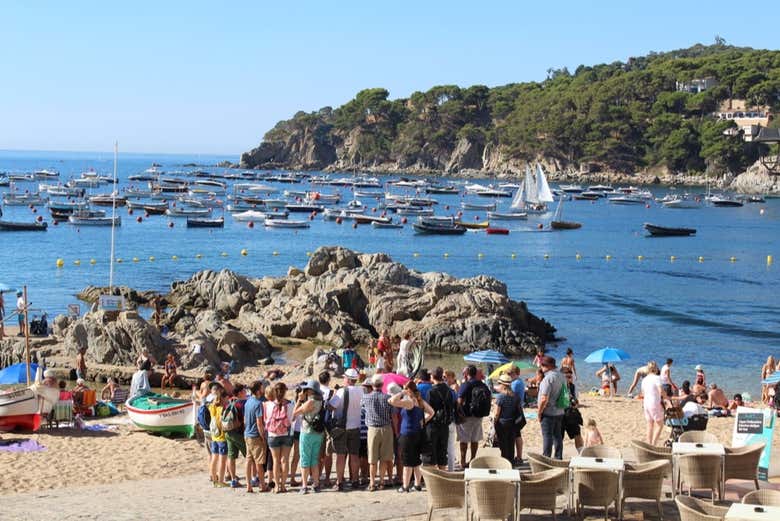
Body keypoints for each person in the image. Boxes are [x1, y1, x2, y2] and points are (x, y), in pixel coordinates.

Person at [389, 381, 434, 493]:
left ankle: (405, 485)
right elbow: (431, 412)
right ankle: (417, 484)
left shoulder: (409, 402)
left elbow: (391, 401)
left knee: (408, 462)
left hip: (407, 434)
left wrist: (402, 392)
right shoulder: (420, 401)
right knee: (416, 461)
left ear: (408, 389)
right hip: (417, 433)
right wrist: (422, 422)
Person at [327, 368, 364, 491]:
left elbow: (331, 406)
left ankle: (339, 481)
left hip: (342, 427)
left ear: (347, 379)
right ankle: (354, 480)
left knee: (340, 456)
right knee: (354, 455)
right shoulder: (361, 391)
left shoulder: (342, 391)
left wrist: (334, 393)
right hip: (356, 426)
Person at [360, 374, 394, 491]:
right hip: (386, 428)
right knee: (384, 458)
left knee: (372, 459)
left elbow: (362, 409)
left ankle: (372, 482)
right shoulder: (387, 397)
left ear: (372, 385)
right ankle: (382, 481)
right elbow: (393, 415)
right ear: (382, 385)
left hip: (373, 429)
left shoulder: (366, 397)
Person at [293, 379, 325, 494]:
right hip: (318, 433)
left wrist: (300, 400)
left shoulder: (310, 402)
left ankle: (304, 485)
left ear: (310, 390)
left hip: (307, 432)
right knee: (314, 460)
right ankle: (316, 484)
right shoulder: (320, 400)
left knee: (305, 460)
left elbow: (295, 413)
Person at [263, 381, 295, 494]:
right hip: (286, 434)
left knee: (276, 460)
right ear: (285, 391)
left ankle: (276, 486)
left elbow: (265, 420)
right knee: (285, 460)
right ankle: (283, 485)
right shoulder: (290, 405)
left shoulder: (267, 405)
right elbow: (292, 420)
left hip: (273, 435)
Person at [457, 365, 490, 467]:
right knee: (474, 439)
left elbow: (459, 401)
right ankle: (472, 459)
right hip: (479, 415)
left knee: (464, 440)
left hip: (466, 416)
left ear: (467, 374)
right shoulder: (483, 385)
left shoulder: (466, 385)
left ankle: (463, 461)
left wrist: (458, 413)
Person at [426, 367, 455, 471]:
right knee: (442, 453)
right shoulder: (449, 390)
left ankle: (433, 478)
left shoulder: (431, 392)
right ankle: (442, 476)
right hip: (445, 424)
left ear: (433, 376)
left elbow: (429, 410)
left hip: (433, 424)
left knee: (431, 453)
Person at [537, 355, 565, 459]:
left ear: (547, 366)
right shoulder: (561, 376)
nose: (541, 368)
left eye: (542, 366)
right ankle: (558, 457)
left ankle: (546, 458)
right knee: (557, 436)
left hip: (548, 412)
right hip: (560, 410)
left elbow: (544, 398)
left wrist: (539, 412)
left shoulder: (548, 378)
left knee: (547, 436)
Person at [244, 380, 268, 493]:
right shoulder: (258, 404)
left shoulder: (248, 401)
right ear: (258, 390)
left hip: (247, 433)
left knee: (248, 460)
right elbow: (259, 423)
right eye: (262, 388)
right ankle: (262, 485)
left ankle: (248, 485)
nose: (264, 389)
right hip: (255, 435)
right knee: (259, 462)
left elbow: (245, 419)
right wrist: (263, 436)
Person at [492, 374, 521, 462]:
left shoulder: (500, 397)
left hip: (502, 423)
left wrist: (494, 422)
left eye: (499, 383)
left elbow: (497, 414)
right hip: (512, 422)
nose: (498, 385)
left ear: (502, 385)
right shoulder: (515, 396)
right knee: (511, 444)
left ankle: (505, 463)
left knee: (503, 445)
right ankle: (511, 462)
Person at [224, 384, 248, 488]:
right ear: (240, 393)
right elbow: (245, 419)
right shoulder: (242, 404)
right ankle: (252, 478)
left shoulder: (230, 402)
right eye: (244, 390)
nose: (246, 392)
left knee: (231, 456)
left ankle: (233, 479)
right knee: (249, 455)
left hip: (228, 431)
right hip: (239, 432)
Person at [207, 383, 229, 487]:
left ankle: (214, 479)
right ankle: (221, 480)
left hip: (214, 435)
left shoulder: (211, 406)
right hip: (222, 436)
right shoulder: (222, 408)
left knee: (214, 457)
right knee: (222, 460)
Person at [641, 365, 665, 445]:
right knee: (660, 424)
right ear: (655, 369)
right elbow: (661, 391)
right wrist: (667, 397)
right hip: (654, 403)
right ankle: (653, 444)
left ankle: (648, 443)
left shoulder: (644, 379)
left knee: (649, 424)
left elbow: (643, 393)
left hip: (646, 403)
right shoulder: (657, 378)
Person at [561, 367, 584, 453]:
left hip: (571, 413)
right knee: (559, 437)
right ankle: (558, 455)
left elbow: (576, 400)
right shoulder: (558, 387)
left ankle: (581, 453)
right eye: (566, 377)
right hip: (560, 414)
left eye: (570, 377)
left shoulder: (572, 386)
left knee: (577, 434)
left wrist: (575, 403)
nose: (569, 379)